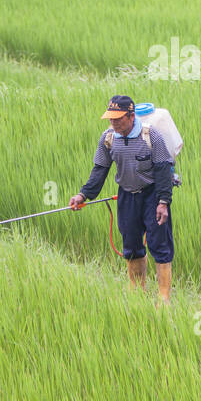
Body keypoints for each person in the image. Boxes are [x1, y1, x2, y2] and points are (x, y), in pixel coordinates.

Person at [70, 95, 175, 303]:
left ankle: (164, 297)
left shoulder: (150, 136)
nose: (114, 123)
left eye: (118, 119)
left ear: (131, 115)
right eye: (111, 119)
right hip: (127, 194)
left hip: (152, 193)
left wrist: (163, 202)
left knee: (159, 244)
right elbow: (100, 169)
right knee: (131, 244)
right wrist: (83, 194)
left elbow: (163, 169)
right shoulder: (108, 138)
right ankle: (137, 292)